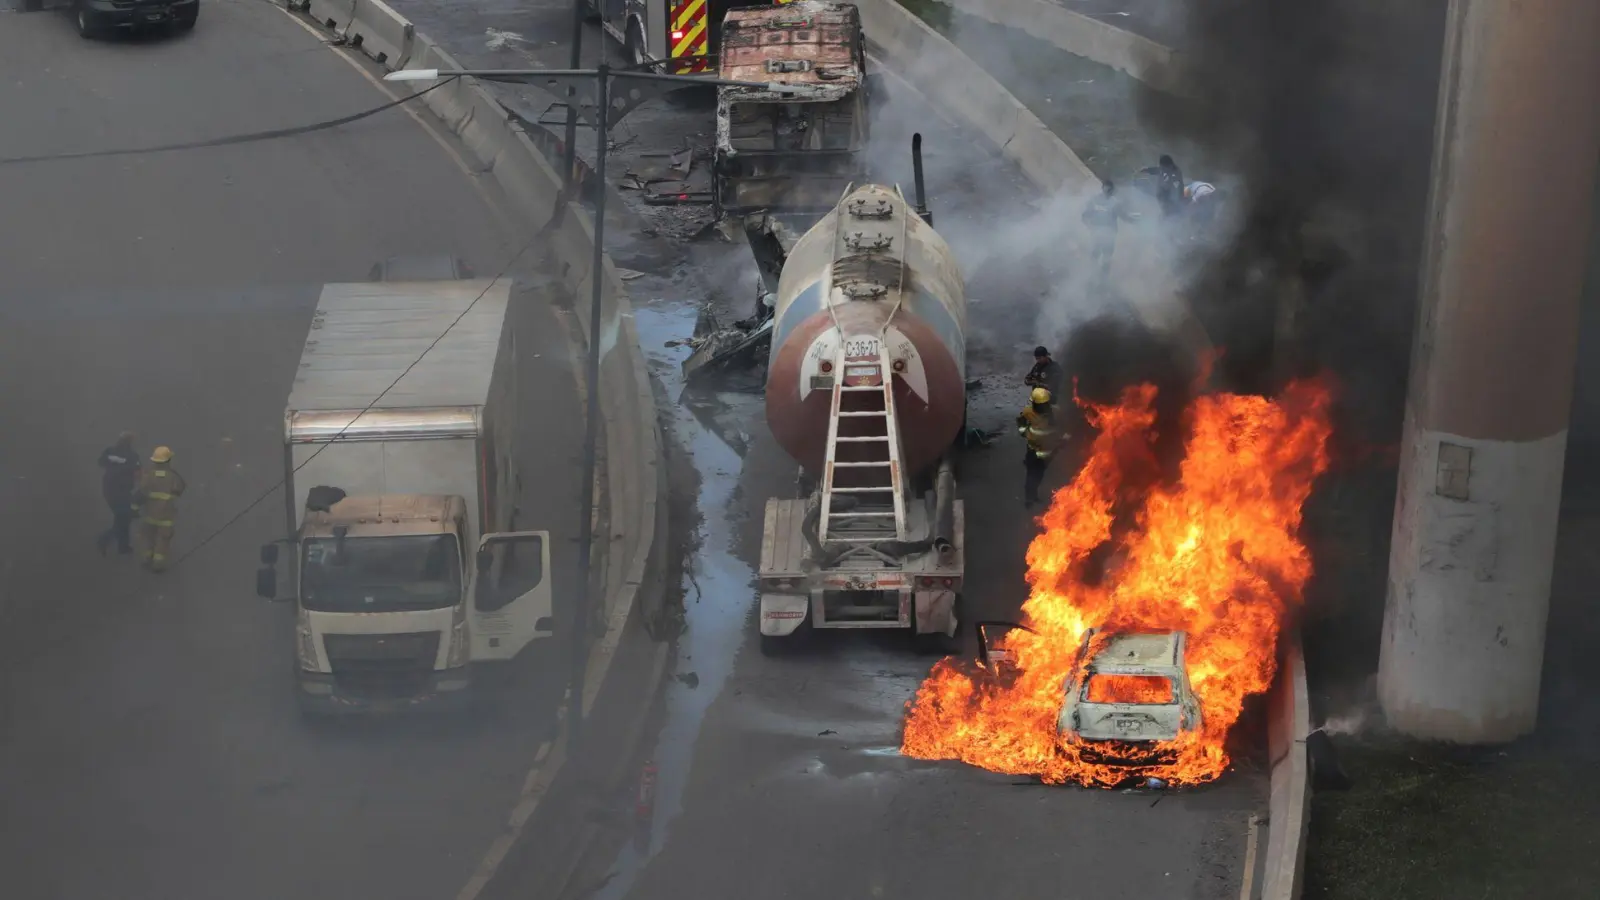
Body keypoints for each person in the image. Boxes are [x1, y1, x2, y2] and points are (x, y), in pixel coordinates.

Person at [133, 446, 186, 573]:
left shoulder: (148, 474)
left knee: (149, 536)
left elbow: (141, 491)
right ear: (168, 461)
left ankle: (147, 557)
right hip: (166, 515)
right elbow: (180, 489)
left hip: (149, 513)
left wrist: (134, 508)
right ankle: (158, 563)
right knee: (163, 539)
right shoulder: (173, 476)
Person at [96, 432, 141, 556]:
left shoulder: (109, 451)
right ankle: (104, 540)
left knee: (122, 517)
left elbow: (101, 462)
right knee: (123, 519)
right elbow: (138, 474)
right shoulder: (133, 456)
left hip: (108, 489)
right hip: (122, 492)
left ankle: (123, 546)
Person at [1017, 388, 1063, 508]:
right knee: (1032, 475)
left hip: (1045, 452)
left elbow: (1063, 426)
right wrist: (1024, 432)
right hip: (1035, 451)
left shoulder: (1055, 412)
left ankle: (1032, 496)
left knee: (1037, 474)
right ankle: (1029, 499)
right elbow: (1021, 423)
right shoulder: (1028, 412)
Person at [1081, 179, 1123, 276]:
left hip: (1109, 234)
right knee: (1095, 255)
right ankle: (1092, 276)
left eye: (1109, 190)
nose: (1107, 191)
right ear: (1103, 188)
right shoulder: (1094, 200)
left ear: (1112, 190)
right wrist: (1089, 227)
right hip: (1097, 233)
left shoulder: (1115, 203)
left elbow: (1123, 215)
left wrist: (1134, 219)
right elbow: (1084, 216)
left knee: (1107, 257)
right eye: (1106, 189)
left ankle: (1103, 279)